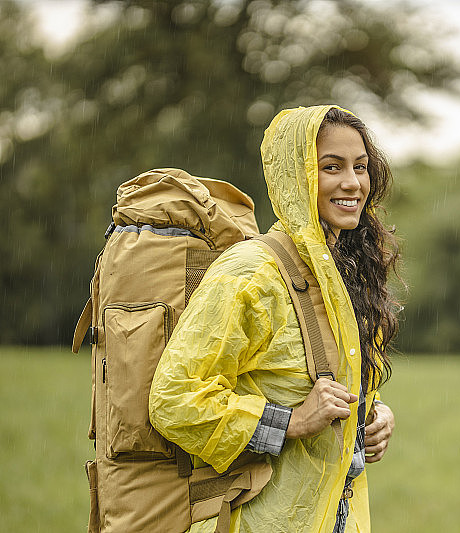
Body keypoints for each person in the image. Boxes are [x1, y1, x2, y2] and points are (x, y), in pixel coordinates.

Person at [149, 104, 400, 533]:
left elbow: (307, 382)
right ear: (296, 176)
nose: (352, 183)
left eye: (361, 167)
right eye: (331, 167)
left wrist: (372, 416)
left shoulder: (345, 271)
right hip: (258, 521)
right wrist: (291, 422)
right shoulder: (251, 272)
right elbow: (174, 399)